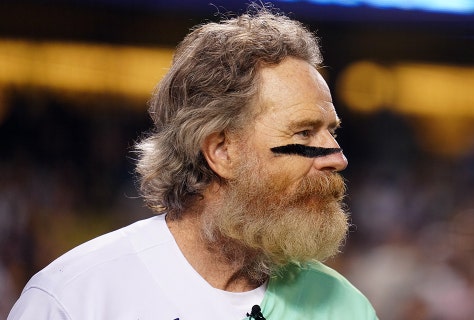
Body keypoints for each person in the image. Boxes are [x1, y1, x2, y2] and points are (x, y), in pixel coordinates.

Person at [8, 5, 377, 320]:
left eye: (332, 132)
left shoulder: (344, 306)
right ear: (221, 151)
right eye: (304, 133)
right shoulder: (75, 298)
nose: (337, 158)